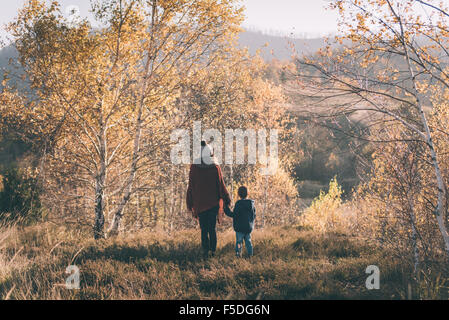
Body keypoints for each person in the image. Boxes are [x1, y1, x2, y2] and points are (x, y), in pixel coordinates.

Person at [186, 141, 231, 258]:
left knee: (204, 229)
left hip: (200, 204)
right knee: (212, 228)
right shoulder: (215, 167)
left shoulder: (194, 167)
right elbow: (220, 185)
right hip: (213, 204)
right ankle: (213, 251)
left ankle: (205, 251)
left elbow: (191, 186)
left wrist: (190, 202)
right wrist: (225, 199)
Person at [224, 186, 256, 258]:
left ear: (238, 194)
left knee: (239, 242)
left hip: (239, 228)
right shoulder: (251, 204)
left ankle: (238, 255)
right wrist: (250, 223)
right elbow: (254, 215)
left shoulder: (238, 204)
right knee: (248, 242)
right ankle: (250, 255)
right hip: (248, 228)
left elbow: (234, 214)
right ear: (247, 193)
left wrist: (226, 209)